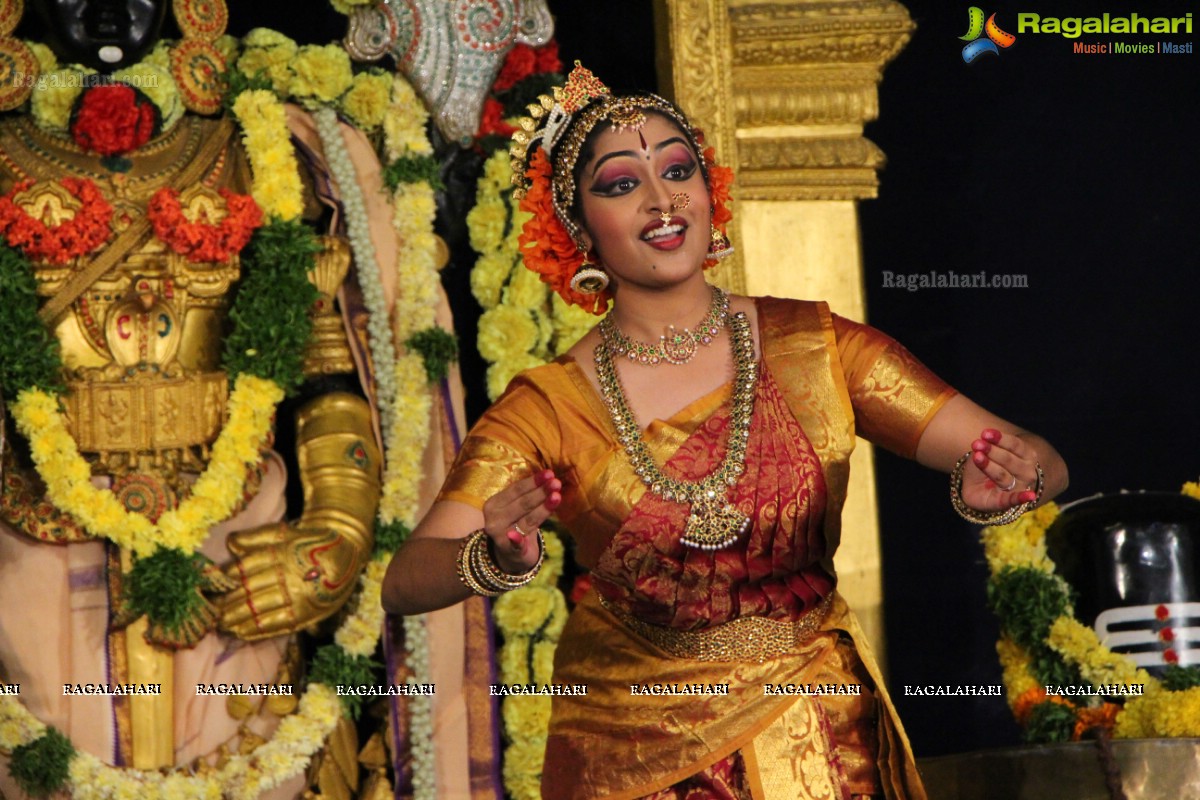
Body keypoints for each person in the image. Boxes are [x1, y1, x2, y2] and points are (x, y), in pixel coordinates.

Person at [382, 63, 1068, 800]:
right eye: (620, 184)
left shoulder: (815, 347)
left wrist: (1011, 479)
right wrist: (490, 557)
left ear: (710, 190)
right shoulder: (552, 405)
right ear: (576, 227)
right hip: (638, 755)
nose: (661, 198)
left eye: (678, 170)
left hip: (817, 739)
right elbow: (405, 578)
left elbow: (1040, 463)